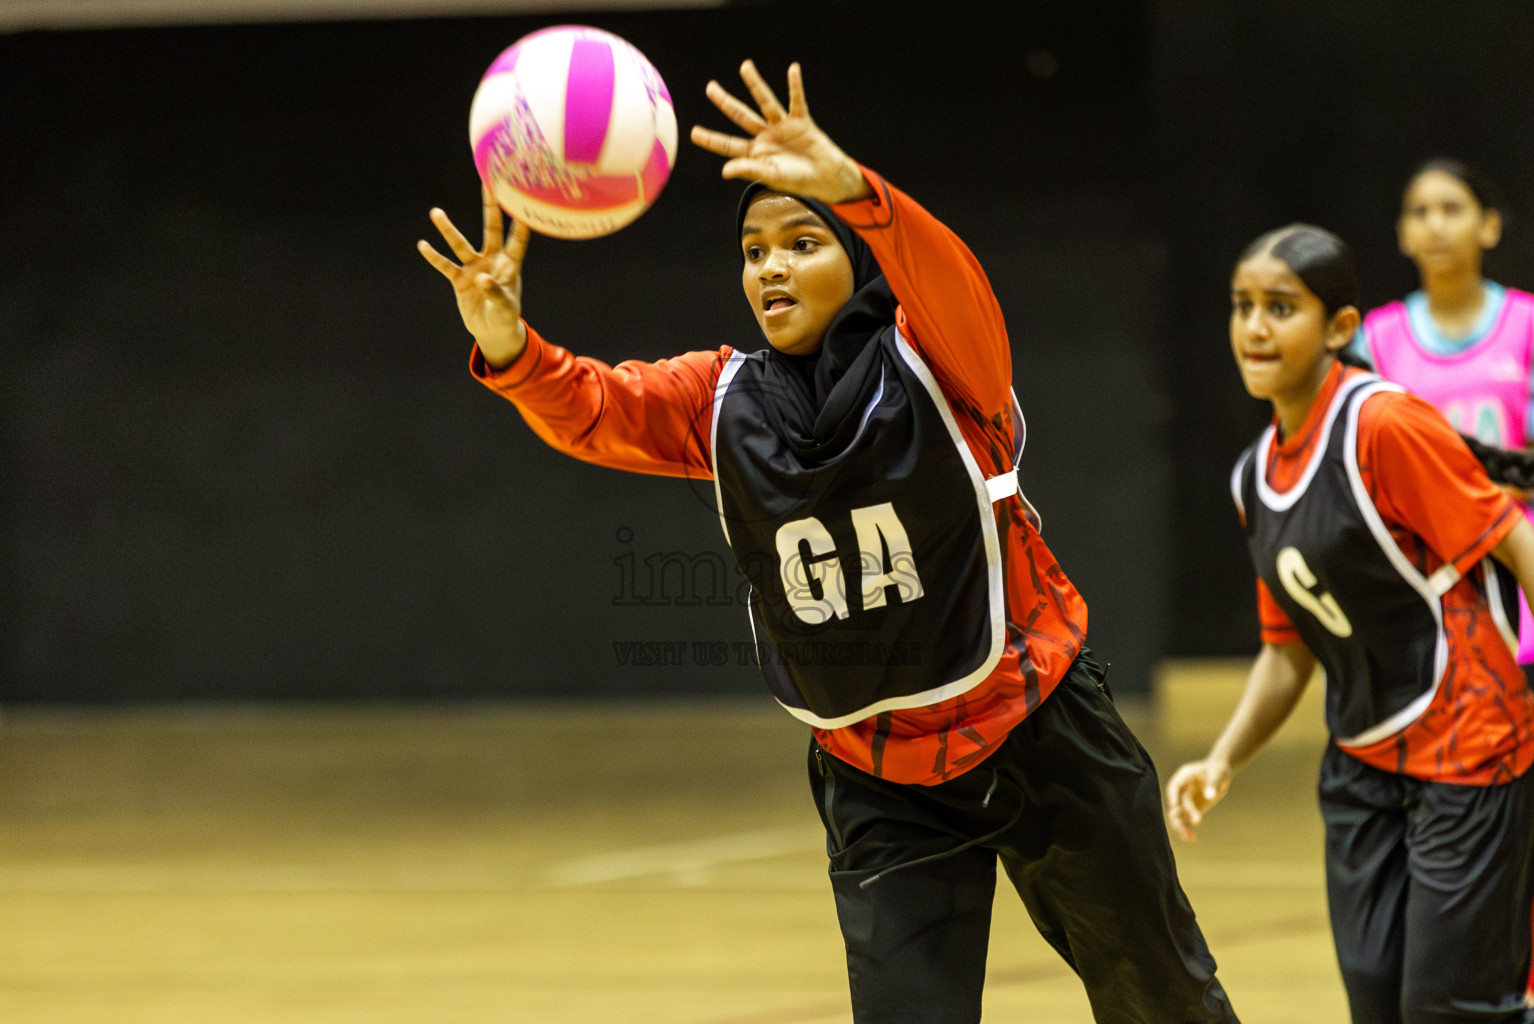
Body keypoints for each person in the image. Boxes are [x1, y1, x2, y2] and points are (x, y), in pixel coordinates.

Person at [420, 60, 1240, 1023]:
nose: (769, 267)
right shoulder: (720, 397)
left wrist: (852, 187)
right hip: (878, 775)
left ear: (857, 257)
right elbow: (595, 408)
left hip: (1041, 733)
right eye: (754, 251)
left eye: (800, 241)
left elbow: (948, 274)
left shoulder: (942, 360)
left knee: (1161, 999)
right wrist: (512, 347)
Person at [1166, 223, 1534, 1024]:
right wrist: (1223, 759)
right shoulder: (1253, 478)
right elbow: (1288, 650)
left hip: (1470, 744)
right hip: (1363, 761)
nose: (1255, 327)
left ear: (1339, 329)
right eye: (1242, 307)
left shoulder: (1384, 426)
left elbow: (1515, 542)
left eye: (1280, 307)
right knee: (1376, 1001)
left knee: (1452, 1008)